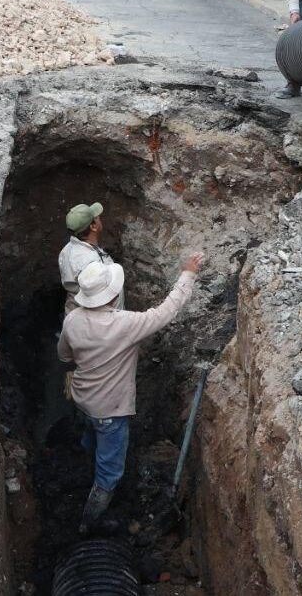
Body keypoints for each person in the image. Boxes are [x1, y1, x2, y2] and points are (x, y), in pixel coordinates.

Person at [57, 252, 204, 531]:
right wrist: (188, 274)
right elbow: (165, 312)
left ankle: (84, 459)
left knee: (91, 433)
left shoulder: (73, 319)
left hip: (82, 399)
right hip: (110, 411)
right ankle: (89, 522)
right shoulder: (124, 324)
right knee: (110, 470)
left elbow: (64, 355)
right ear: (112, 296)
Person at [58, 202, 121, 314]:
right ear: (93, 226)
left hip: (73, 313)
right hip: (96, 318)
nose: (99, 218)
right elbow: (101, 300)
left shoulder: (66, 251)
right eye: (97, 218)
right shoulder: (90, 264)